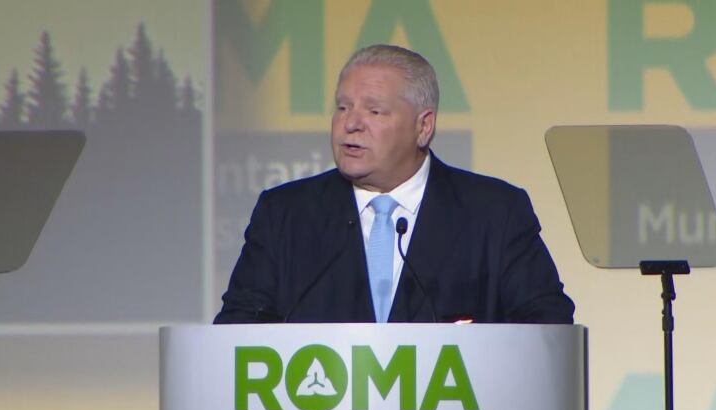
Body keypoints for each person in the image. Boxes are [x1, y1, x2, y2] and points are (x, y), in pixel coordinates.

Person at [214, 44, 574, 324]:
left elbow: (547, 323)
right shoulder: (285, 214)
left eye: (374, 111)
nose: (351, 124)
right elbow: (239, 326)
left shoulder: (494, 212)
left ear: (423, 126)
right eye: (342, 107)